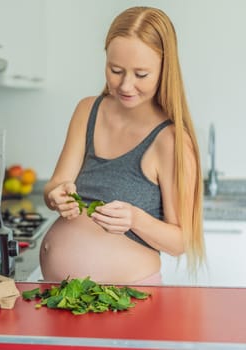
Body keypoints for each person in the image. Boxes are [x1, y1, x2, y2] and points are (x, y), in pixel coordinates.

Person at [40, 6, 205, 285]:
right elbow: (55, 185)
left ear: (165, 69)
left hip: (131, 302)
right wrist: (56, 196)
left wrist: (135, 220)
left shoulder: (170, 140)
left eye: (141, 75)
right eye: (116, 70)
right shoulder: (87, 111)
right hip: (60, 296)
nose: (126, 85)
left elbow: (182, 241)